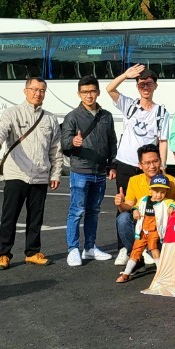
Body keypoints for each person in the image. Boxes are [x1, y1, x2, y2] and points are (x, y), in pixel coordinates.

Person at [0, 76, 63, 269]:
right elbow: (2, 129)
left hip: (40, 174)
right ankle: (4, 254)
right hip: (17, 173)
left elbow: (56, 148)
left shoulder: (50, 118)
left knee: (36, 217)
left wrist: (55, 174)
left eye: (41, 90)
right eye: (34, 89)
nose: (37, 93)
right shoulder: (12, 113)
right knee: (10, 216)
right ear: (25, 91)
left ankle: (32, 252)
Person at [60, 75, 118, 267]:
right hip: (80, 170)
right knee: (76, 211)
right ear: (79, 94)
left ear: (98, 92)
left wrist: (112, 164)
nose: (89, 95)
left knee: (94, 211)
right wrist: (73, 142)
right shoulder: (72, 117)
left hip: (100, 171)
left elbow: (112, 142)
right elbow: (64, 143)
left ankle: (90, 247)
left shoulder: (106, 116)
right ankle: (73, 249)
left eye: (92, 91)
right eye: (85, 92)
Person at [105, 64, 169, 196]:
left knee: (146, 205)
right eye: (142, 85)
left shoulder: (161, 113)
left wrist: (162, 165)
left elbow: (163, 141)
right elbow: (109, 89)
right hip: (125, 165)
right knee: (124, 205)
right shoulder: (129, 105)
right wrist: (125, 75)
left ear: (155, 86)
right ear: (137, 87)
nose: (145, 88)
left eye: (149, 84)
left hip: (147, 166)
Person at [116, 173, 175, 283]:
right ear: (150, 190)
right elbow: (136, 206)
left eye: (162, 192)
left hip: (155, 231)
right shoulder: (144, 199)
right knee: (136, 251)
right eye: (156, 191)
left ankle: (160, 272)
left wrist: (172, 207)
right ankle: (126, 273)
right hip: (142, 231)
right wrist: (135, 211)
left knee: (154, 249)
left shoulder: (166, 202)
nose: (159, 195)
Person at [114, 144, 164, 263]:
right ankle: (136, 254)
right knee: (123, 218)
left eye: (155, 161)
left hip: (161, 229)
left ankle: (155, 251)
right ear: (140, 165)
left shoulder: (170, 181)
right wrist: (120, 204)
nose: (152, 166)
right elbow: (128, 206)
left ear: (160, 161)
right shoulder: (134, 180)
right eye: (147, 163)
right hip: (142, 225)